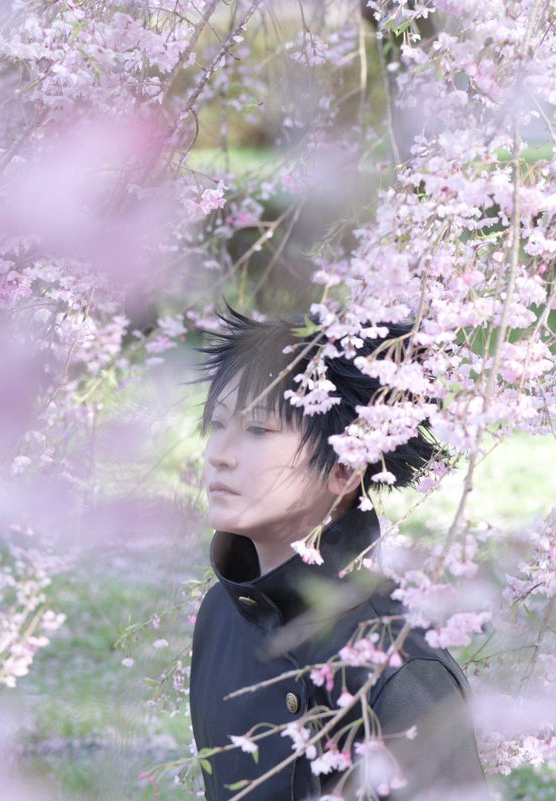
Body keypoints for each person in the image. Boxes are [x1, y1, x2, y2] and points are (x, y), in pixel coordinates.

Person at [188, 306, 489, 801]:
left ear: (346, 468)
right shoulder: (221, 613)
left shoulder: (401, 670)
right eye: (217, 424)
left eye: (258, 430)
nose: (218, 453)